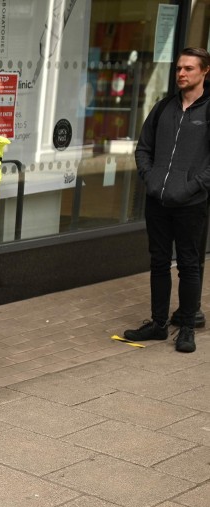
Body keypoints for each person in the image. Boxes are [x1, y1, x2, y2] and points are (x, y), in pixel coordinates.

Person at [124, 47, 210, 353]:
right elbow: (143, 147)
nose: (181, 74)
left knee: (188, 265)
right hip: (157, 201)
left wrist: (191, 187)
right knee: (158, 262)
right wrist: (151, 179)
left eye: (188, 68)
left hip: (190, 204)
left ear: (204, 72)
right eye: (178, 69)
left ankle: (187, 327)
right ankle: (159, 324)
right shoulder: (163, 108)